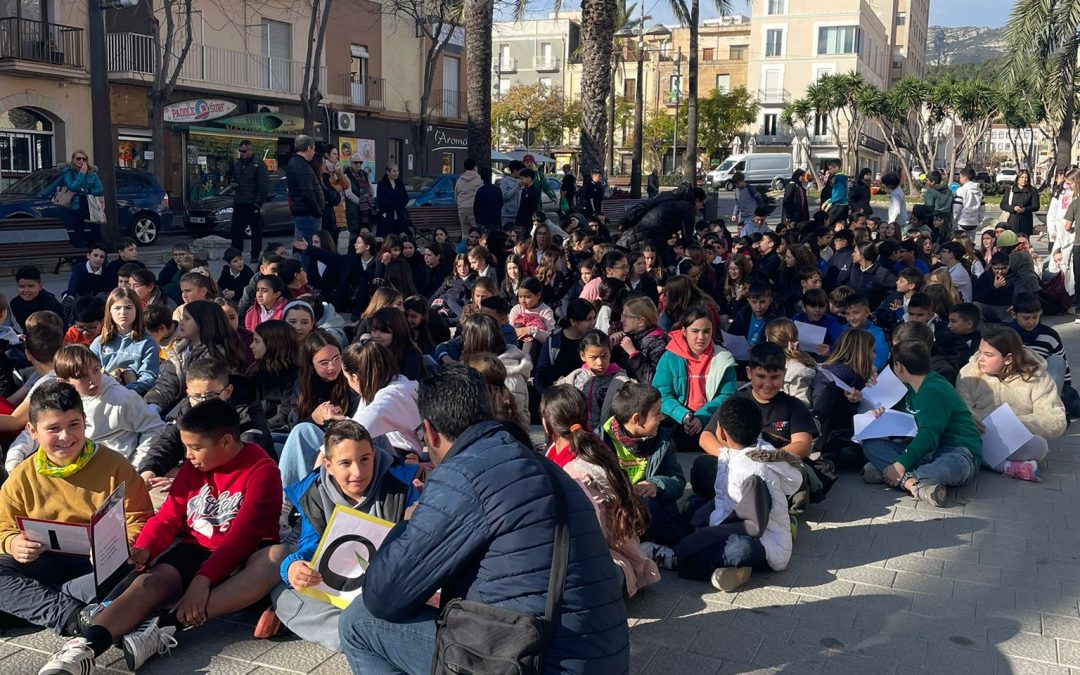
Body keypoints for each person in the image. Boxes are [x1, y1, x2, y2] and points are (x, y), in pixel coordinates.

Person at [337, 364, 629, 675]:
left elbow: (384, 595)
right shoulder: (540, 464)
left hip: (536, 661)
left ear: (430, 431)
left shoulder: (462, 473)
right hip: (603, 656)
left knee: (358, 621)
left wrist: (407, 522)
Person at [41, 399, 284, 673]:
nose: (188, 456)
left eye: (196, 448)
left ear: (226, 442)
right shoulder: (195, 466)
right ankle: (84, 649)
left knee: (277, 557)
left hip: (246, 554)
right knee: (147, 583)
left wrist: (202, 582)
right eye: (186, 447)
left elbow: (243, 537)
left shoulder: (262, 471)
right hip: (197, 548)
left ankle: (167, 626)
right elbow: (169, 515)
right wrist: (144, 548)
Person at [0, 382, 153, 637]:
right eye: (53, 428)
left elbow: (140, 517)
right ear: (32, 431)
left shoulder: (114, 465)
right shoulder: (22, 476)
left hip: (96, 566)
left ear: (85, 421)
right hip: (44, 561)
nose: (65, 437)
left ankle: (36, 604)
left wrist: (121, 544)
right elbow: (4, 527)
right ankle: (72, 616)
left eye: (74, 425)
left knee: (136, 575)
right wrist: (13, 542)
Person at [265, 420, 420, 650]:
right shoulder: (315, 494)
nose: (357, 472)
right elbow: (310, 546)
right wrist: (293, 567)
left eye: (365, 459)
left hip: (389, 585)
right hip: (339, 589)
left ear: (374, 456)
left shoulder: (400, 484)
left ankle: (366, 635)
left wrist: (414, 519)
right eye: (345, 463)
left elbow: (420, 547)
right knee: (282, 595)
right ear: (328, 465)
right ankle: (366, 636)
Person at [672, 396, 802, 591]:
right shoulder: (738, 454)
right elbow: (723, 500)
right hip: (732, 521)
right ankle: (734, 570)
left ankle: (679, 560)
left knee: (739, 549)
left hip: (764, 541)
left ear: (722, 433)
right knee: (694, 511)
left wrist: (706, 535)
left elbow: (753, 527)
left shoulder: (754, 473)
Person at [861, 340, 982, 507]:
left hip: (959, 453)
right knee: (871, 445)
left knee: (928, 471)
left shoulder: (933, 390)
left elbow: (928, 436)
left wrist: (900, 464)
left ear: (899, 366)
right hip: (928, 452)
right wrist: (878, 406)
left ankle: (892, 474)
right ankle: (916, 486)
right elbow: (901, 418)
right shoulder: (910, 387)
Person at [138, 358, 274, 488]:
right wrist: (149, 470)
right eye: (196, 396)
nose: (203, 402)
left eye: (210, 396)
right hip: (198, 473)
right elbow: (169, 442)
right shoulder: (187, 407)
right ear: (188, 393)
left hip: (241, 480)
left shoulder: (247, 411)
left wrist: (187, 481)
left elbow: (246, 455)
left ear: (228, 391)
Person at [956, 325, 1066, 482]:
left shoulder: (1037, 376)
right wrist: (972, 419)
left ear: (1008, 359)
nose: (980, 358)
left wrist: (1017, 423)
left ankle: (986, 461)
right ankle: (1009, 467)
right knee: (959, 441)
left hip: (1017, 439)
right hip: (979, 436)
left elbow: (1056, 419)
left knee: (1039, 446)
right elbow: (961, 407)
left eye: (988, 355)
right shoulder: (968, 373)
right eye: (980, 351)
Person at [652, 306, 738, 447]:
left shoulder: (724, 359)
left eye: (706, 331)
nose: (701, 337)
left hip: (712, 422)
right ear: (684, 332)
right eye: (695, 331)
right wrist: (683, 415)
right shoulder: (669, 357)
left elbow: (727, 395)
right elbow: (661, 393)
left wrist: (701, 417)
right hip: (675, 421)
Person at [229, 140, 270, 262]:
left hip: (252, 203)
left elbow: (264, 186)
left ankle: (254, 255)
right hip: (239, 201)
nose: (242, 153)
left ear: (250, 150)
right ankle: (236, 254)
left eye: (244, 151)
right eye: (240, 151)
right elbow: (234, 178)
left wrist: (257, 204)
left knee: (255, 231)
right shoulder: (238, 164)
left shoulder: (258, 164)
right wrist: (233, 184)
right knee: (236, 230)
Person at [285, 135, 325, 256]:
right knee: (309, 248)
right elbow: (307, 193)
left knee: (301, 245)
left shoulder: (295, 162)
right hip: (308, 214)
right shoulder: (301, 165)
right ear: (308, 148)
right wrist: (317, 211)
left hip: (303, 212)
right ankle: (307, 273)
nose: (313, 153)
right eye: (313, 149)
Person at [59, 149, 104, 249]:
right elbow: (72, 186)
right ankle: (80, 257)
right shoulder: (68, 172)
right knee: (79, 232)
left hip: (91, 203)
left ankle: (99, 256)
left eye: (84, 159)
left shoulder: (92, 172)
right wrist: (81, 174)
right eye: (78, 158)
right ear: (73, 160)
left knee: (96, 232)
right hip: (76, 204)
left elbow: (99, 187)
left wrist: (87, 191)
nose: (81, 161)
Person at [11, 266, 64, 332]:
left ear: (40, 286)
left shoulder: (49, 301)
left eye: (31, 286)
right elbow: (24, 328)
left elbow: (59, 327)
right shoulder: (15, 303)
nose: (26, 290)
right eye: (21, 286)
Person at [999, 169, 1039, 236]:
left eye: (1026, 178)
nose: (1024, 179)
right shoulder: (1010, 190)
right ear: (1017, 179)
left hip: (1026, 222)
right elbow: (1003, 205)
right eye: (1022, 177)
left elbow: (1036, 206)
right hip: (1012, 221)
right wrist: (1013, 208)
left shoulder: (1032, 191)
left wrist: (1025, 209)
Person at [454, 158, 482, 237]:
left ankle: (465, 248)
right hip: (474, 209)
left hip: (462, 209)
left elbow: (456, 195)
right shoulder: (479, 179)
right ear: (474, 167)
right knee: (476, 233)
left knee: (465, 233)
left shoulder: (459, 180)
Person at [499, 160, 525, 226]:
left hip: (519, 216)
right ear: (515, 170)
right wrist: (517, 186)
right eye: (521, 171)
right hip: (507, 216)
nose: (522, 173)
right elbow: (504, 196)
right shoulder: (505, 181)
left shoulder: (522, 181)